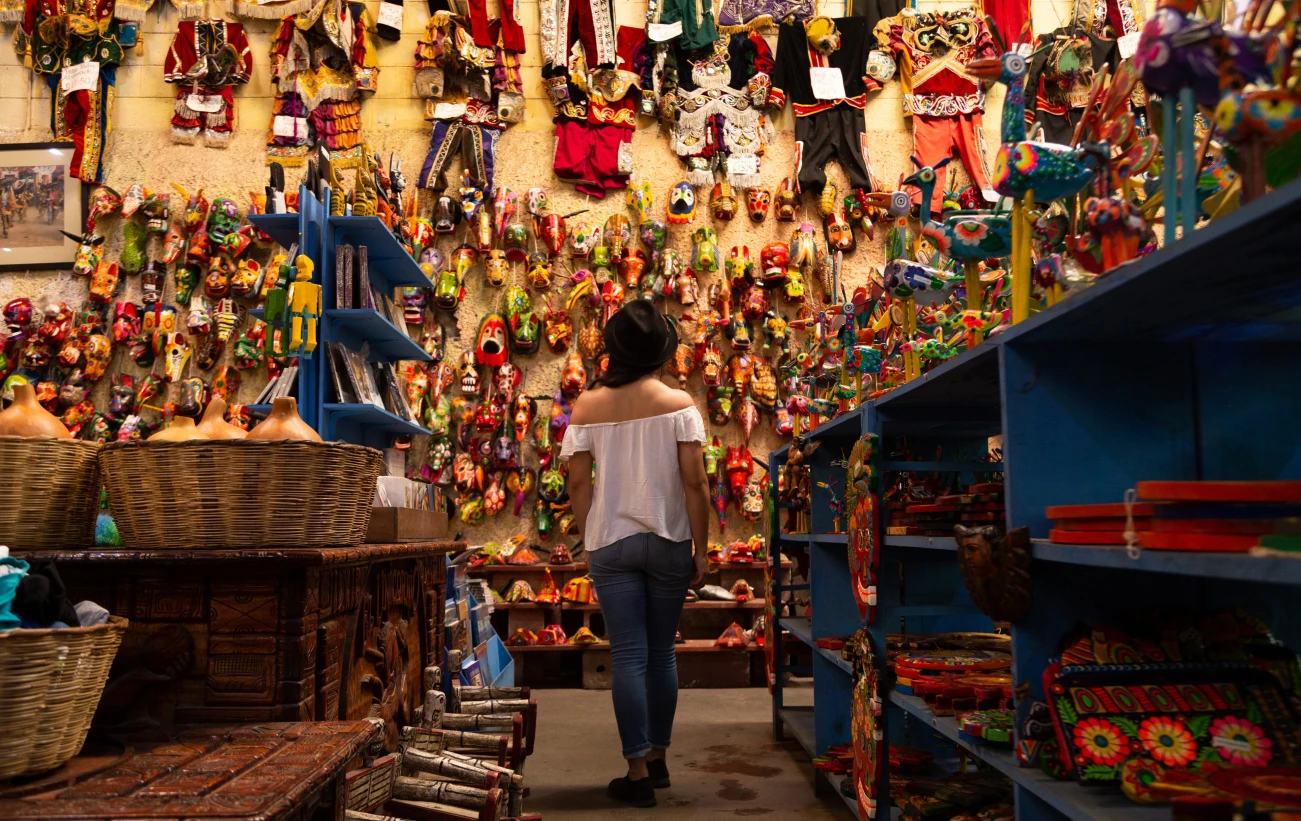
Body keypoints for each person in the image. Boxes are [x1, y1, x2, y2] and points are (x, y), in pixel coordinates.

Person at [561, 300, 712, 808]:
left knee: (626, 654)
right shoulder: (680, 404)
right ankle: (661, 758)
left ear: (614, 352)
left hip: (612, 542)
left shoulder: (586, 407)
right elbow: (696, 485)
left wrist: (591, 536)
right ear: (661, 353)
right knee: (661, 652)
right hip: (670, 539)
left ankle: (636, 772)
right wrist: (702, 550)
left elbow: (578, 481)